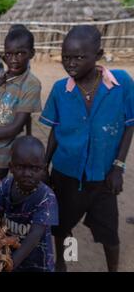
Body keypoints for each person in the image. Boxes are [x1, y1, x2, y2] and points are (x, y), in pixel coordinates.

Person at [39, 25, 134, 272]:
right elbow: (55, 131)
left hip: (103, 176)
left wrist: (118, 167)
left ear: (98, 54)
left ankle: (113, 268)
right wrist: (44, 166)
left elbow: (129, 125)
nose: (71, 63)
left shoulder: (121, 83)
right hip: (66, 173)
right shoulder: (61, 89)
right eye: (66, 57)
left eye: (80, 57)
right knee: (60, 225)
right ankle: (61, 262)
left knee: (109, 232)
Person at [0, 28, 42, 214]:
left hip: (0, 155)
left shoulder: (30, 84)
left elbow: (15, 126)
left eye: (20, 53)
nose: (14, 59)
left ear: (31, 54)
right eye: (9, 54)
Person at [0, 136, 58, 272]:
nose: (27, 174)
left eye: (34, 169)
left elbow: (34, 237)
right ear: (11, 167)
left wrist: (9, 265)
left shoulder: (46, 198)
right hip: (8, 252)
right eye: (20, 167)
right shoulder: (6, 185)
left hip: (37, 262)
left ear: (43, 169)